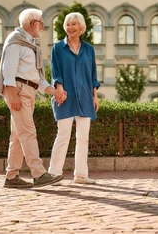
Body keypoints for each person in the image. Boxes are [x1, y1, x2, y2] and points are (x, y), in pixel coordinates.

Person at [0, 8, 66, 188]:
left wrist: (55, 92)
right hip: (18, 90)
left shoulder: (29, 44)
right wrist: (11, 93)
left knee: (18, 135)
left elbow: (37, 79)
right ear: (33, 23)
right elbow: (8, 69)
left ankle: (12, 177)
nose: (43, 27)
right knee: (28, 132)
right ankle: (39, 173)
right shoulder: (16, 40)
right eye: (41, 23)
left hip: (27, 90)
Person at [48, 12, 100, 185]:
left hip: (85, 96)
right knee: (63, 135)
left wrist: (95, 96)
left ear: (81, 27)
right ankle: (54, 174)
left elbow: (93, 75)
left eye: (74, 24)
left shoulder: (89, 49)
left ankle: (81, 175)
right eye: (67, 24)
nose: (70, 27)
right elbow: (55, 73)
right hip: (64, 96)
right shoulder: (57, 48)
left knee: (83, 138)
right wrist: (59, 90)